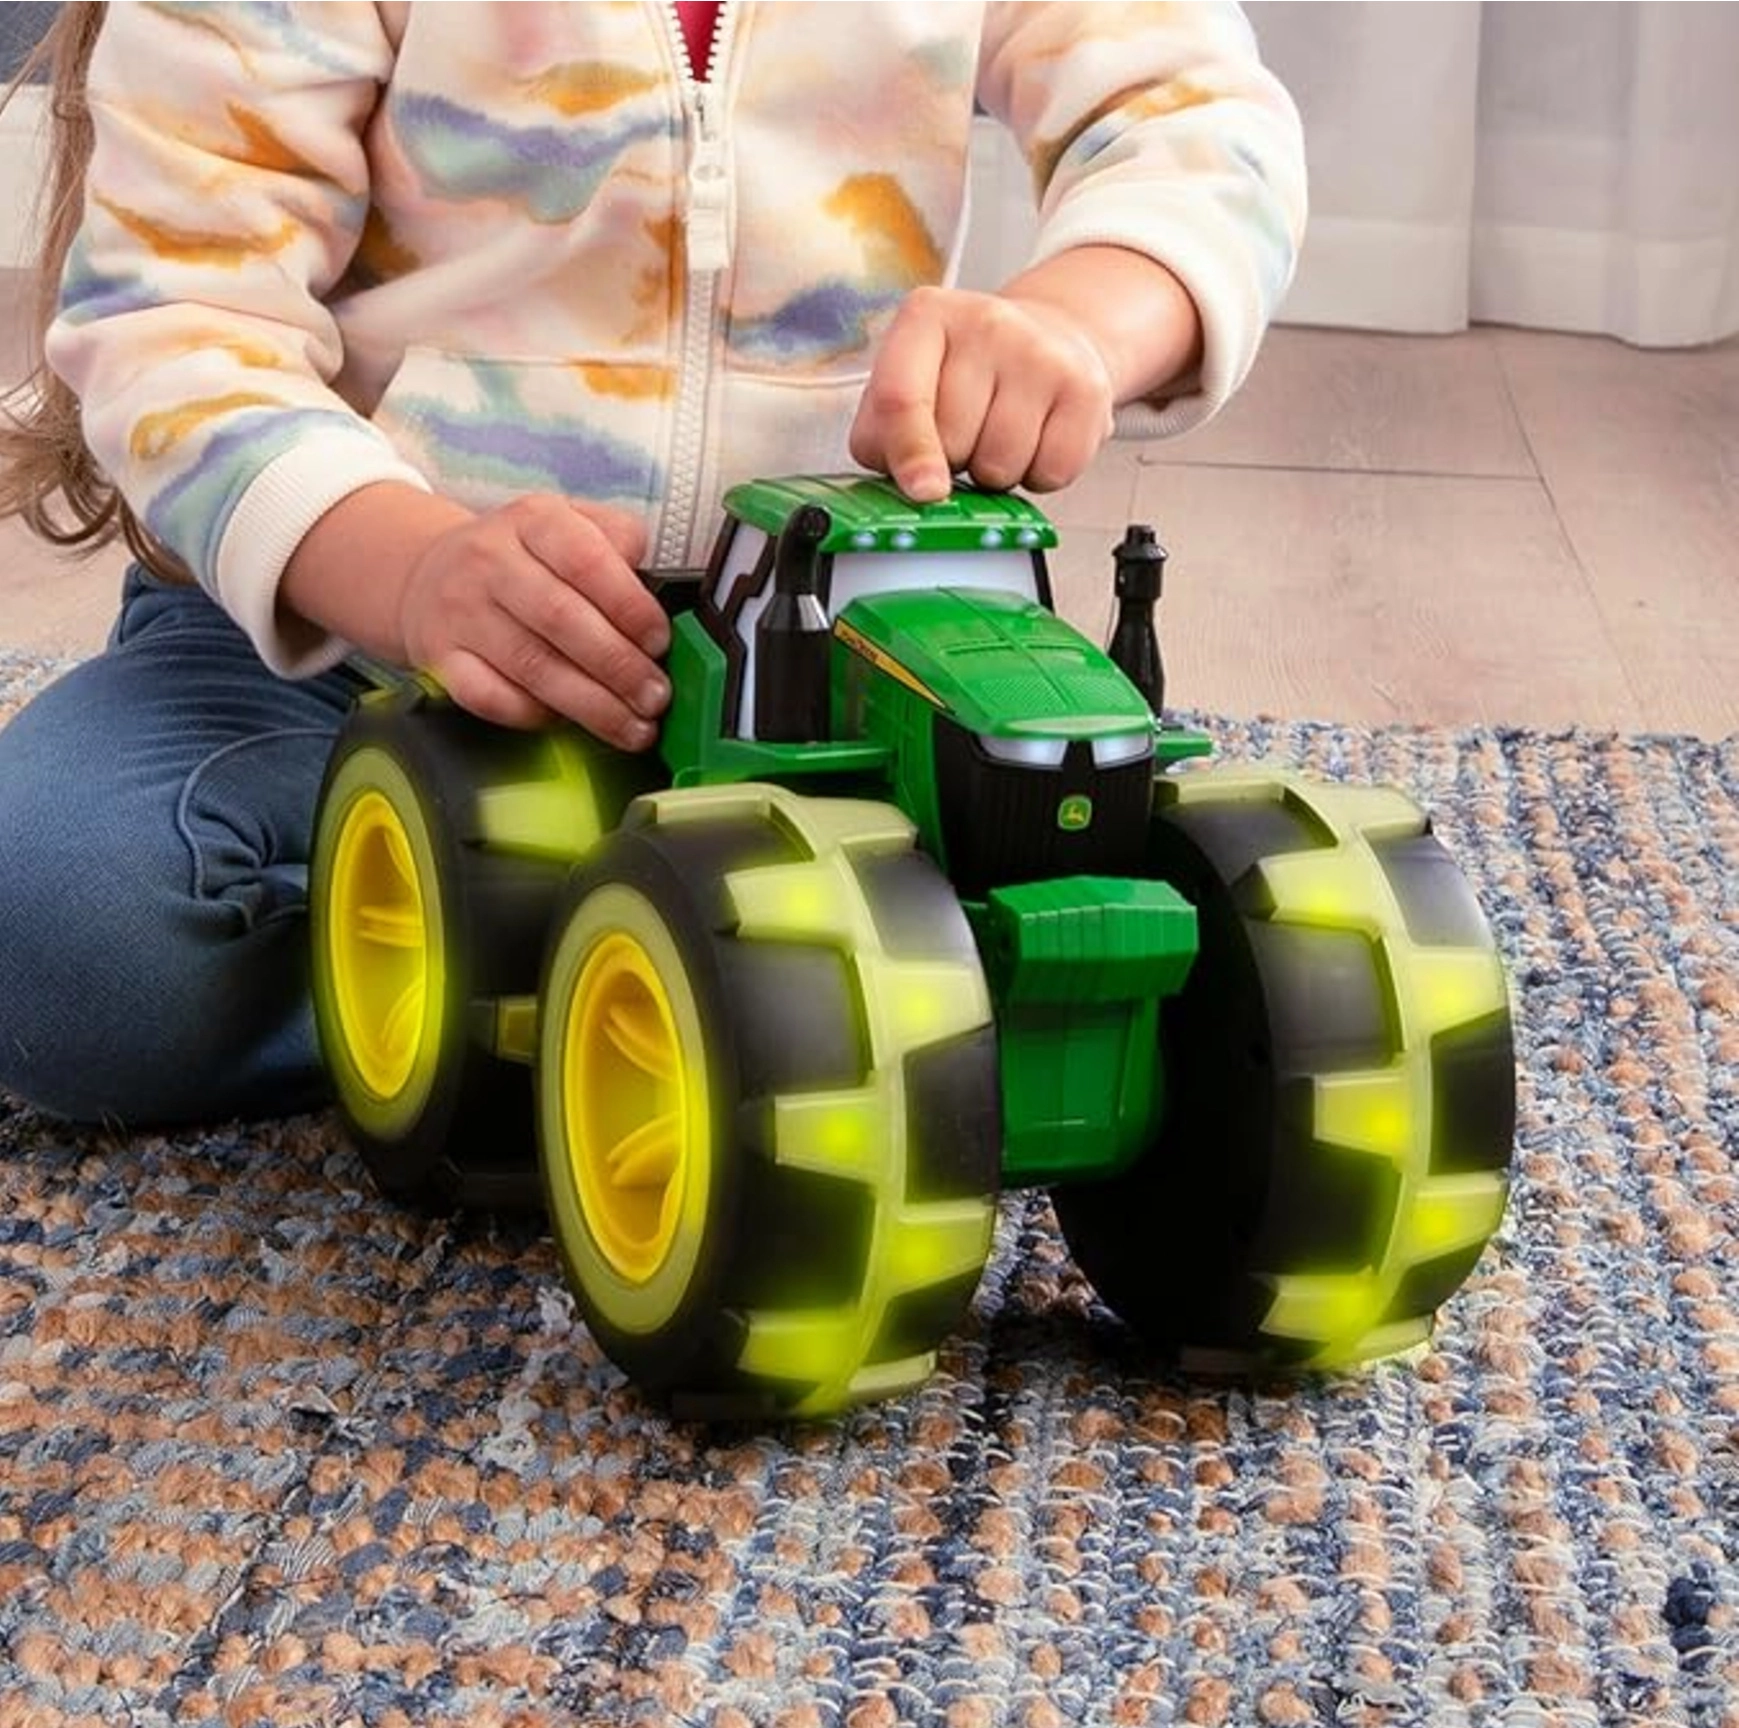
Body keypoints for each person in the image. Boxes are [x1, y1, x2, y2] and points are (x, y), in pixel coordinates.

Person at [0, 1, 1306, 1127]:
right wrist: (407, 570)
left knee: (1223, 936)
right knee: (57, 933)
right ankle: (615, 987)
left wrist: (1077, 321)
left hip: (832, 662)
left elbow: (1198, 122)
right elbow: (180, 310)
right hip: (354, 648)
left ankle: (626, 979)